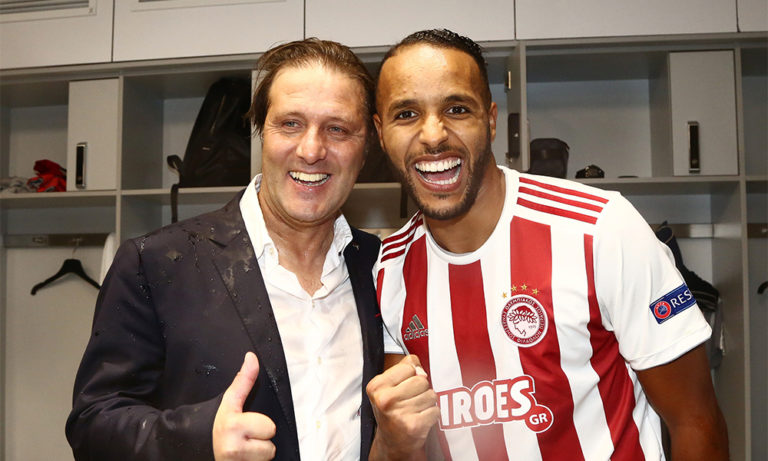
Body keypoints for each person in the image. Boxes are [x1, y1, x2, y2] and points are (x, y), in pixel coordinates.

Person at [366, 29, 729, 460]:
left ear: (491, 120)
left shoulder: (601, 229)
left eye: (457, 109)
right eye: (406, 114)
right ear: (381, 132)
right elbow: (409, 438)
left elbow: (695, 420)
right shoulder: (389, 268)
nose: (433, 135)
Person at [66, 38, 384, 461]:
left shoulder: (382, 265)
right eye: (290, 124)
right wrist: (198, 438)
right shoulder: (155, 264)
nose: (311, 150)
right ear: (262, 133)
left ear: (368, 144)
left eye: (338, 129)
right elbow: (93, 425)